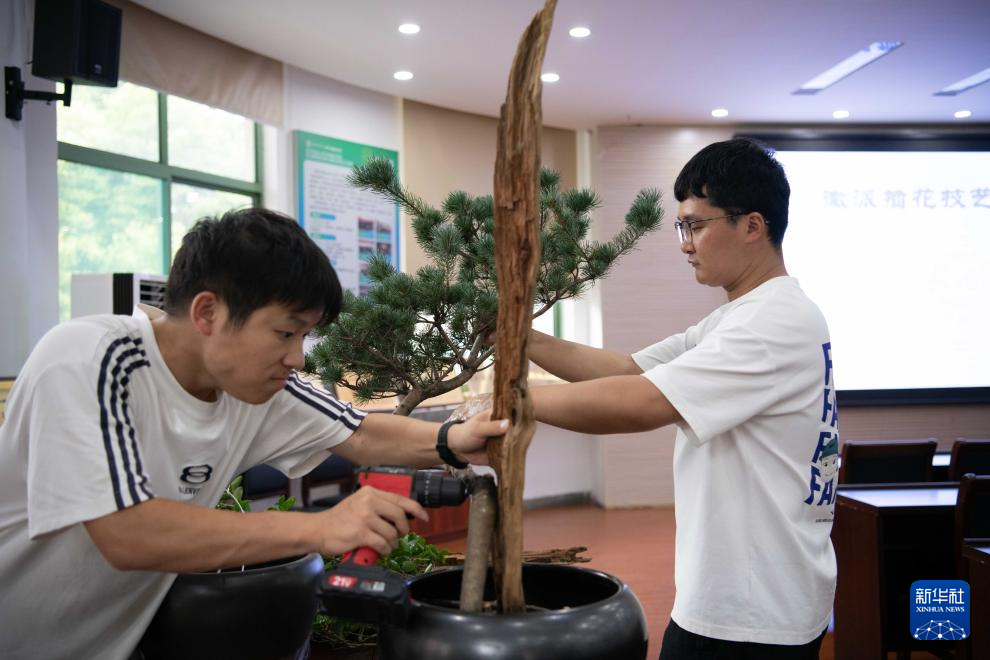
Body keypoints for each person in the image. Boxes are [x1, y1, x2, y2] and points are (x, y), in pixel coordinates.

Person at [0, 208, 507, 660]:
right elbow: (125, 533)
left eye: (304, 336)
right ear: (208, 313)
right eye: (285, 333)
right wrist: (321, 528)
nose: (298, 357)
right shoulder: (90, 360)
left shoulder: (252, 388)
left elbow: (358, 435)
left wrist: (454, 440)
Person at [528, 137, 837, 659]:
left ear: (752, 226)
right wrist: (518, 339)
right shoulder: (743, 315)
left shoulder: (770, 323)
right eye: (681, 227)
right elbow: (627, 370)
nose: (684, 244)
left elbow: (644, 402)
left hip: (749, 616)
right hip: (755, 600)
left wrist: (513, 403)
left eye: (695, 226)